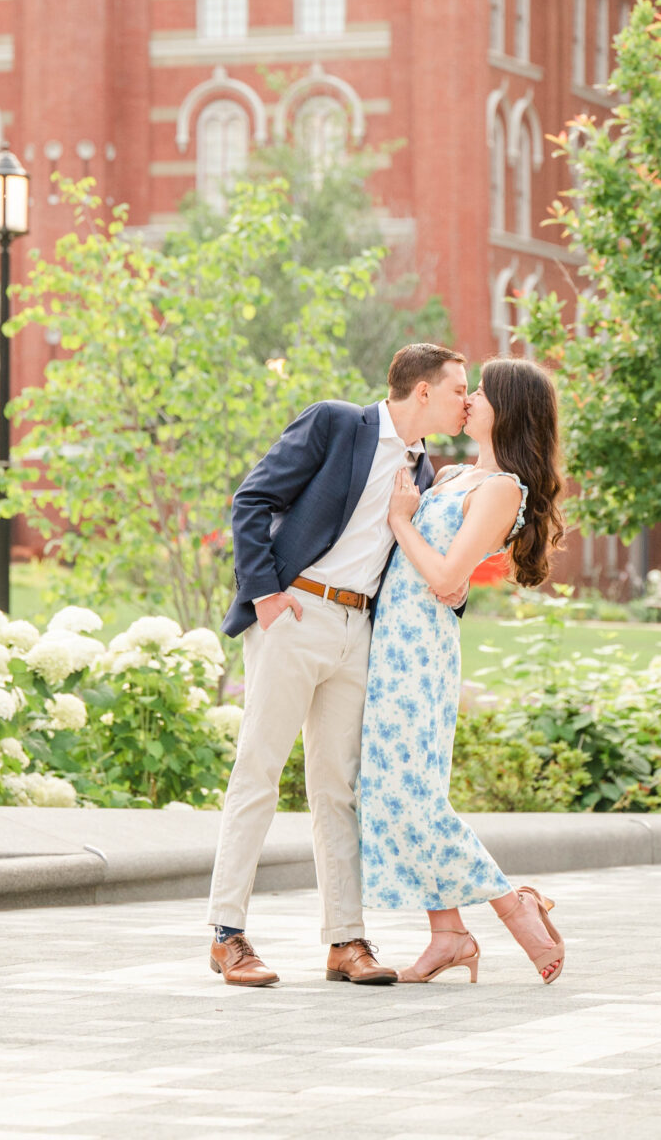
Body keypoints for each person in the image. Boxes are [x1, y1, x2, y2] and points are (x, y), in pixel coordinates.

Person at [203, 342, 473, 989]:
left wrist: (453, 590)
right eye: (460, 388)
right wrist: (267, 594)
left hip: (359, 632)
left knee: (338, 788)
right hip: (296, 614)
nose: (468, 400)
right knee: (259, 771)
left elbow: (418, 561)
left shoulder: (423, 470)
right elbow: (252, 499)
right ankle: (227, 934)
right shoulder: (336, 422)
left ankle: (345, 940)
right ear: (424, 391)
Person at [358, 355, 569, 984]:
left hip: (420, 650)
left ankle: (512, 904)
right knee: (394, 791)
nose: (469, 398)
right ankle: (447, 932)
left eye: (481, 390)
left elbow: (449, 577)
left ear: (510, 411)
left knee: (417, 795)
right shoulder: (449, 475)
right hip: (390, 640)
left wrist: (402, 520)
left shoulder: (501, 489)